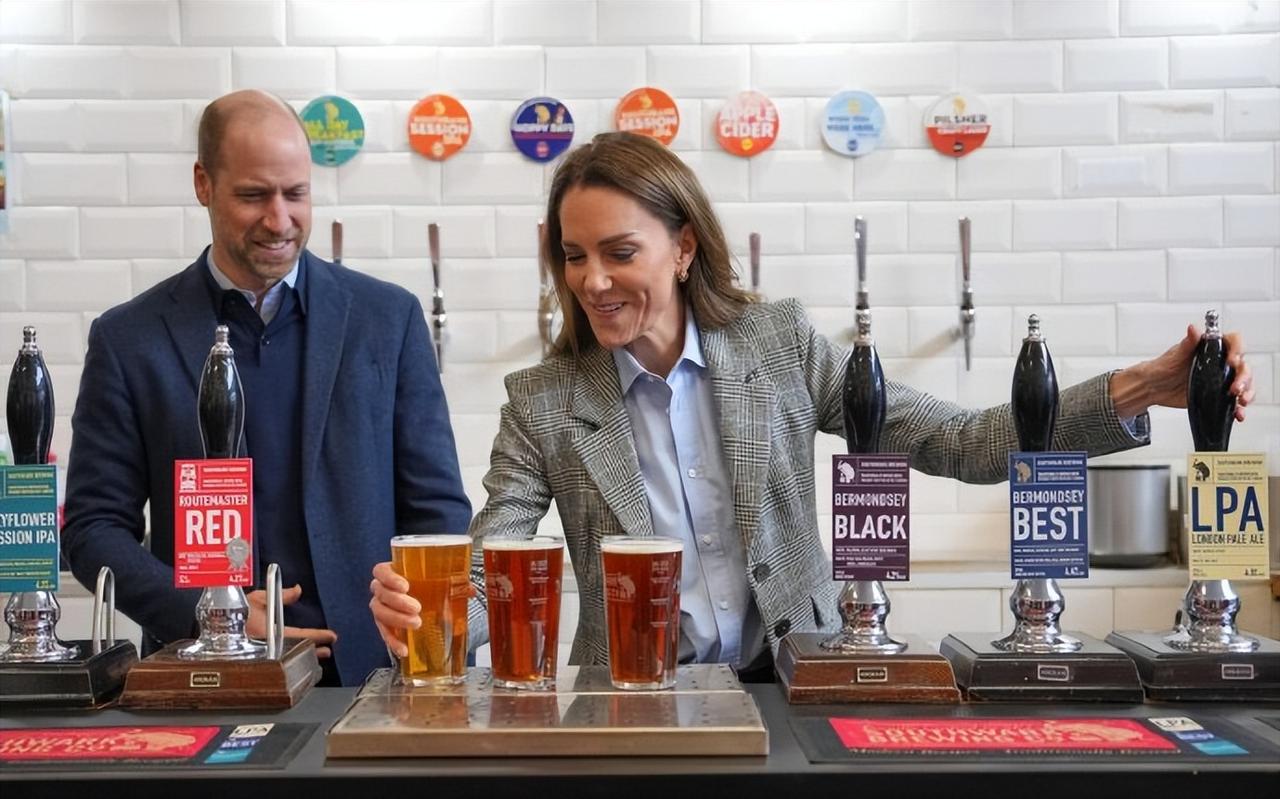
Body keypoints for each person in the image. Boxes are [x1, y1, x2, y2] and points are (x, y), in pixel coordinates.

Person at [369, 131, 1254, 680]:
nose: (591, 280)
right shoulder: (545, 401)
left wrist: (1144, 386)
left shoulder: (779, 345)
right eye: (572, 256)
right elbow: (490, 558)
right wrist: (430, 615)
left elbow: (964, 441)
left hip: (803, 680)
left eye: (618, 252)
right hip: (637, 700)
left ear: (683, 249)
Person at [62, 90, 471, 686]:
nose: (279, 220)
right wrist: (204, 614)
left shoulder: (388, 319)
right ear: (203, 184)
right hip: (207, 674)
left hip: (377, 675)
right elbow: (93, 528)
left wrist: (421, 622)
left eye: (296, 194)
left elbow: (437, 509)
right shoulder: (130, 339)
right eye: (254, 195)